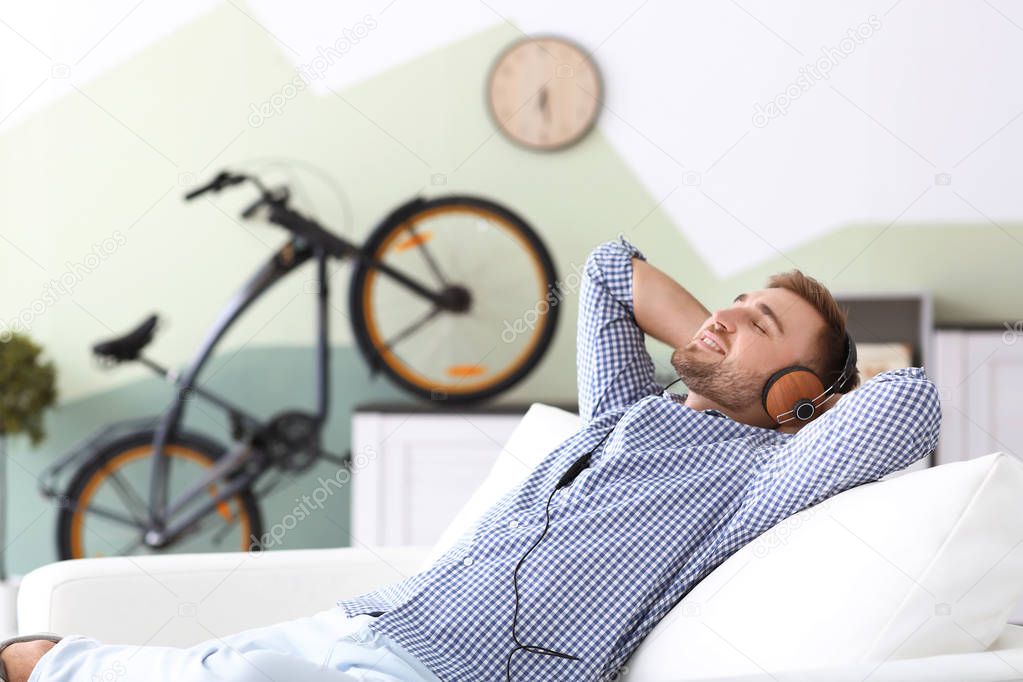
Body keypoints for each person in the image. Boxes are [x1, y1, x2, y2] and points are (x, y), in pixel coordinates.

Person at [7, 236, 941, 682]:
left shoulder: (753, 476)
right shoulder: (623, 409)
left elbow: (907, 405)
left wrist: (794, 405)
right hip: (353, 631)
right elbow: (611, 271)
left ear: (795, 401)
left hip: (442, 676)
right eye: (732, 298)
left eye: (761, 324)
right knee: (35, 654)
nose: (726, 311)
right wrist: (720, 334)